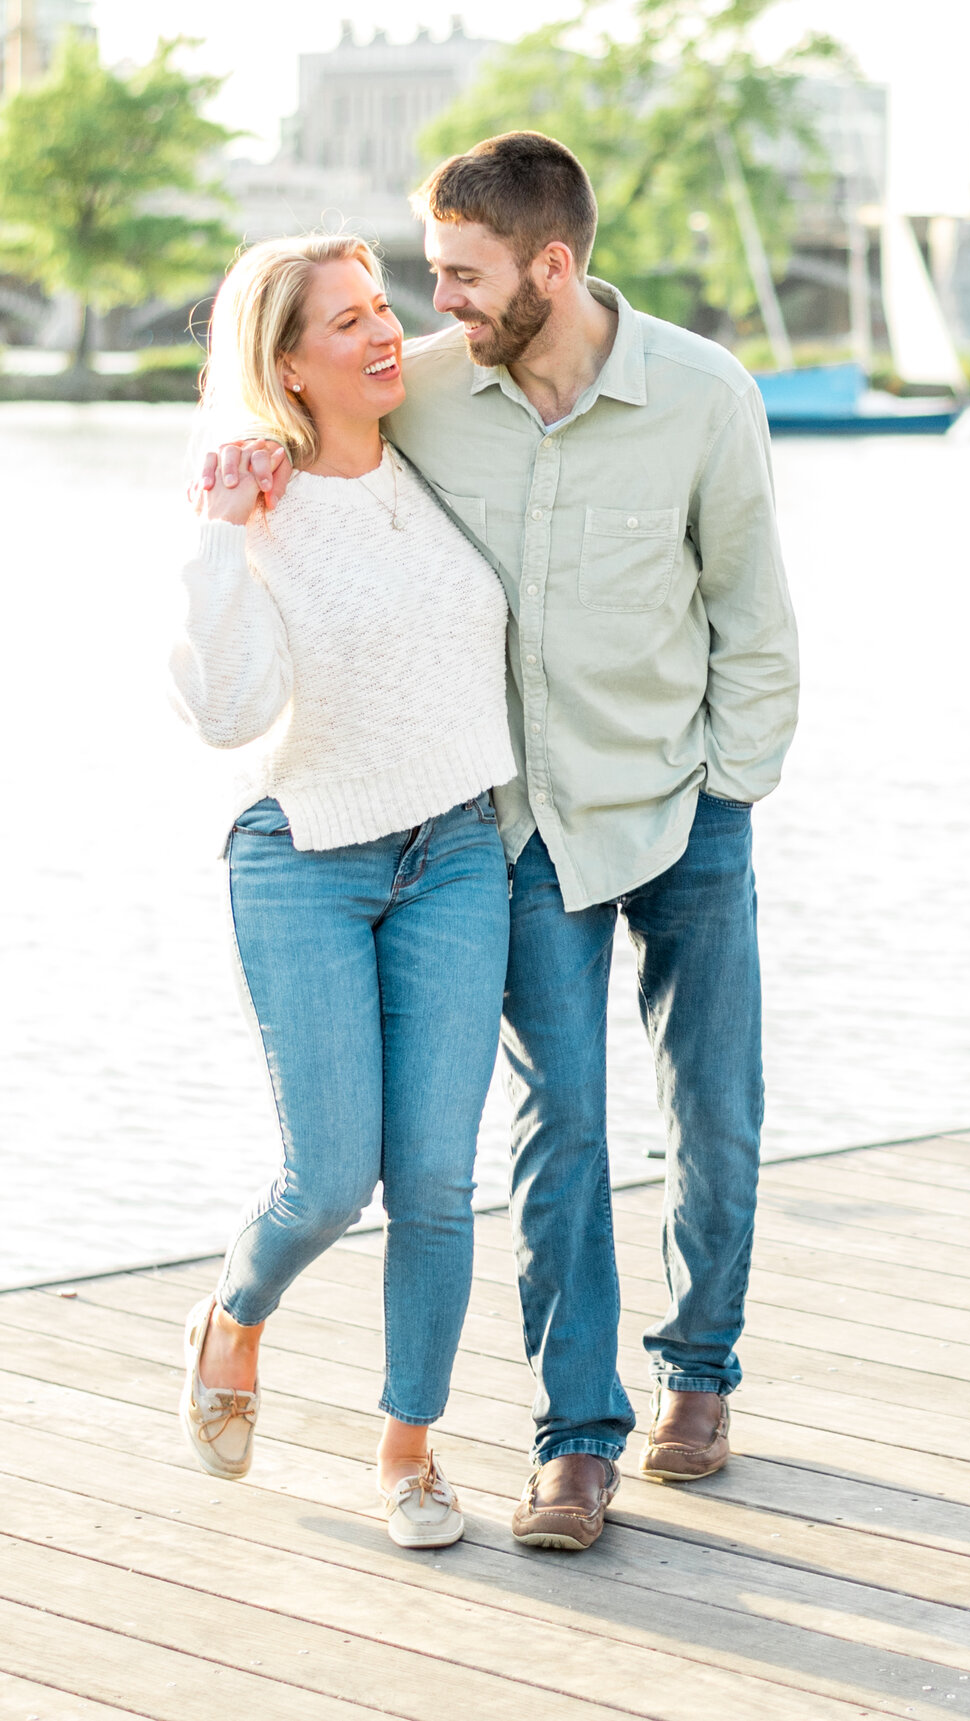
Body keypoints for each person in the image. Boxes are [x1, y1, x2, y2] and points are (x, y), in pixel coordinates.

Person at [223, 131, 800, 1551]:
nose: (440, 304)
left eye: (466, 276)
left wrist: (728, 786)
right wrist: (242, 466)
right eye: (432, 276)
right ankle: (576, 1438)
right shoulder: (426, 386)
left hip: (683, 808)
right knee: (565, 1129)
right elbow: (314, 438)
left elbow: (756, 616)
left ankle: (700, 1369)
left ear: (552, 265)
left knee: (714, 1116)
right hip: (521, 828)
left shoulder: (704, 396)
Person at [164, 233, 517, 1552]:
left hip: (458, 850)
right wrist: (214, 538)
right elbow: (224, 712)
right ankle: (234, 1316)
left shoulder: (431, 453)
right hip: (304, 853)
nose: (384, 336)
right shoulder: (252, 505)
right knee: (326, 1181)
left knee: (434, 1181)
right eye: (347, 323)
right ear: (287, 363)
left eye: (386, 310)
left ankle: (410, 1453)